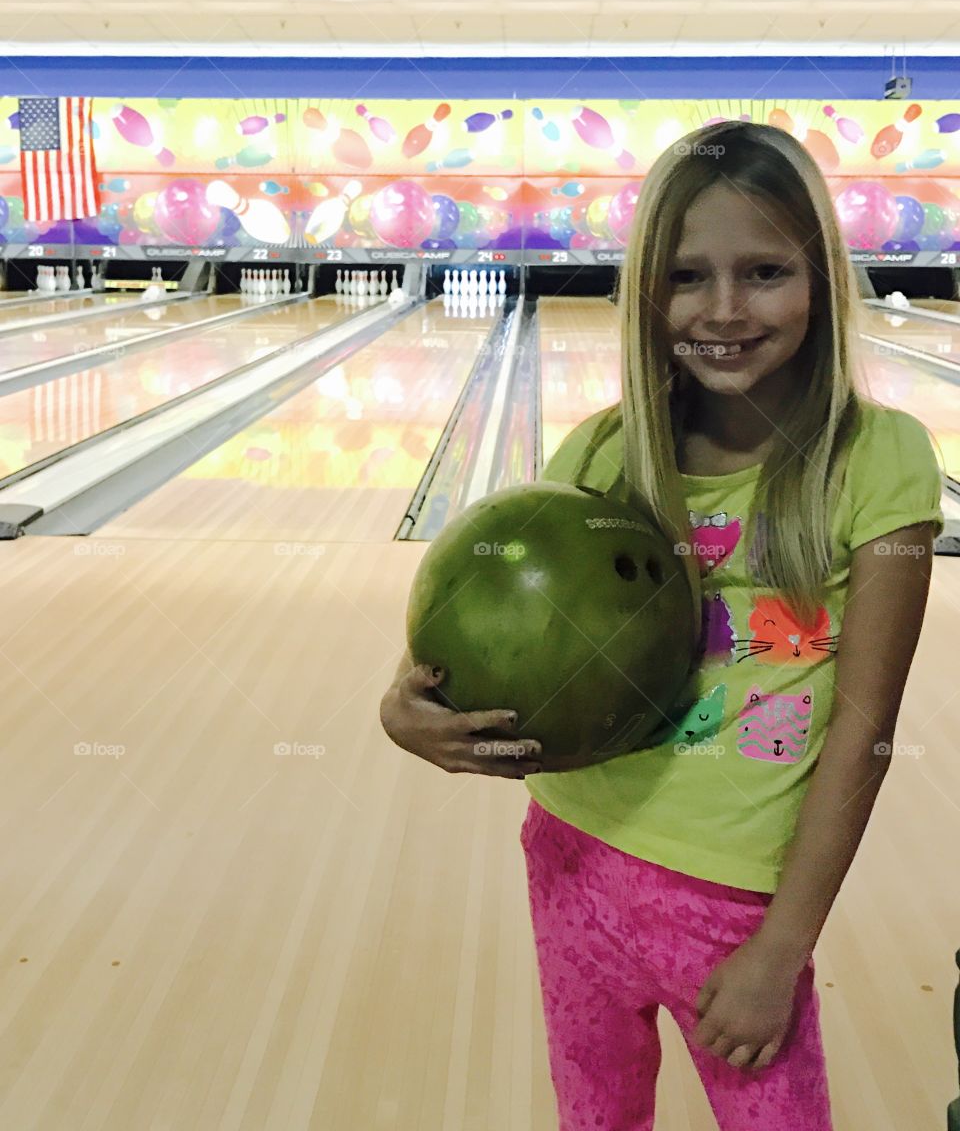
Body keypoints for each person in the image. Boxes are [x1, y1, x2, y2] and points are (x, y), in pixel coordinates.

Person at [380, 120, 945, 1130]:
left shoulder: (878, 462)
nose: (725, 309)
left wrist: (782, 945)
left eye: (765, 270)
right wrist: (404, 706)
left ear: (819, 274)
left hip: (739, 906)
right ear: (650, 291)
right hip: (569, 853)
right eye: (689, 277)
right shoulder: (603, 453)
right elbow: (493, 620)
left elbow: (864, 733)